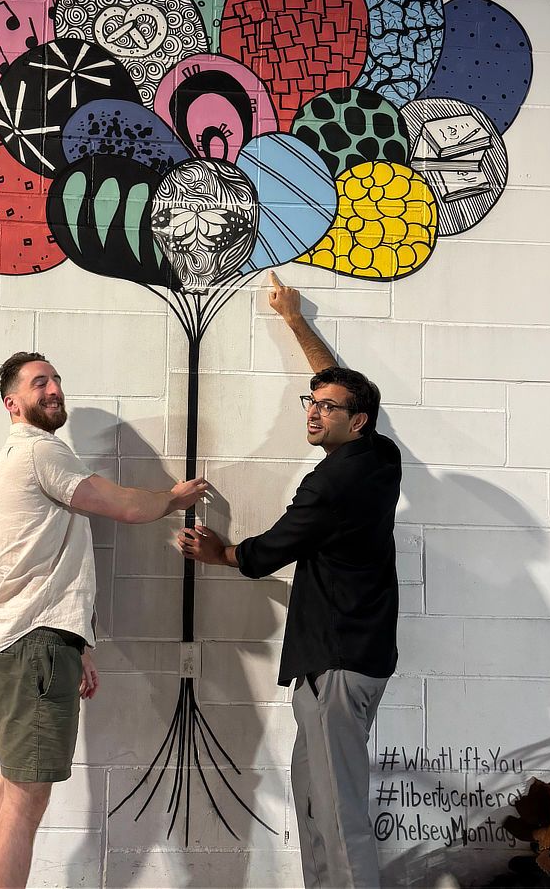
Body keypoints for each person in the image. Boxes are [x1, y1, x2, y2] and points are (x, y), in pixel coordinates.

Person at [178, 272, 400, 889]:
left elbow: (267, 552)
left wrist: (219, 551)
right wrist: (295, 320)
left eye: (327, 408)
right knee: (316, 808)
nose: (314, 411)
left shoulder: (330, 484)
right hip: (344, 660)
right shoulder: (381, 457)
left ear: (356, 422)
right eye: (312, 402)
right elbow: (343, 384)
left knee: (337, 813)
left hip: (336, 663)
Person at [0, 351, 208, 889]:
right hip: (36, 643)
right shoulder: (40, 450)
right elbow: (122, 505)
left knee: (12, 785)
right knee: (28, 799)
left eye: (55, 378)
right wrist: (173, 498)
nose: (53, 388)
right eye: (39, 383)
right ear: (13, 404)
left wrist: (79, 644)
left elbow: (57, 564)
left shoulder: (19, 453)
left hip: (28, 640)